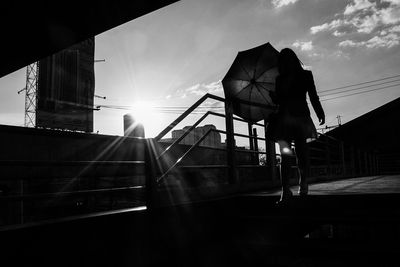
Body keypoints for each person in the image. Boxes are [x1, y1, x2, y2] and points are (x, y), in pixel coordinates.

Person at [267, 48, 325, 204]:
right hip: (298, 118)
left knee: (286, 155)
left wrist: (275, 98)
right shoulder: (305, 75)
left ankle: (287, 190)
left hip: (286, 120)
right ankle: (301, 185)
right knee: (300, 153)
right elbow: (313, 96)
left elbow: (283, 100)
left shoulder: (282, 78)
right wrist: (320, 112)